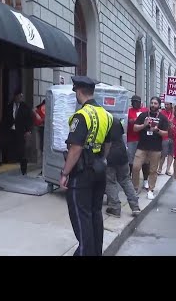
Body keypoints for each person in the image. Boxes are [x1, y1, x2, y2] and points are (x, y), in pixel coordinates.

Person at [58, 76, 113, 256]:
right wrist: (100, 160)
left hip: (82, 172)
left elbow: (75, 148)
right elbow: (108, 144)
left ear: (78, 91)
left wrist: (65, 172)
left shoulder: (82, 115)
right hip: (99, 169)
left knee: (82, 218)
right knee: (95, 213)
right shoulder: (106, 114)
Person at [131, 96, 169, 200]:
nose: (153, 105)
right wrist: (144, 125)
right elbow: (134, 128)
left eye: (155, 103)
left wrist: (157, 130)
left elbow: (166, 133)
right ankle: (135, 188)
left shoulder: (162, 117)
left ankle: (150, 190)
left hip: (155, 148)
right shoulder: (143, 115)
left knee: (153, 170)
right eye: (152, 103)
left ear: (159, 105)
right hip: (142, 146)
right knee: (135, 167)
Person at [105, 118, 141, 218]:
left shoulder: (103, 121)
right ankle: (135, 207)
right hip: (122, 154)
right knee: (126, 180)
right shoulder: (116, 120)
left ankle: (115, 208)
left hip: (110, 156)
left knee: (110, 181)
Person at [0, 90, 33, 175]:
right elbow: (3, 120)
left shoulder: (25, 107)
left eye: (21, 96)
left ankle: (24, 171)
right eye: (18, 96)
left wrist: (28, 131)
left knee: (22, 151)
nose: (20, 98)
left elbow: (29, 120)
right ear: (15, 97)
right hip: (9, 130)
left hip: (20, 131)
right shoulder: (9, 106)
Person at [127, 95, 150, 189]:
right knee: (131, 161)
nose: (134, 103)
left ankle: (145, 180)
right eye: (133, 101)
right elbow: (129, 121)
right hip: (131, 138)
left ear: (140, 102)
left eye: (136, 101)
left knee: (145, 161)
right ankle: (130, 180)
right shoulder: (129, 111)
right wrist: (138, 121)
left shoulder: (145, 110)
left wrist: (136, 121)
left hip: (143, 139)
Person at [158, 102, 175, 176]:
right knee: (163, 153)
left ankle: (168, 169)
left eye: (168, 104)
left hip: (173, 136)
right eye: (165, 104)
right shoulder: (162, 112)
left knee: (171, 153)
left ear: (171, 105)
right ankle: (160, 168)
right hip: (165, 136)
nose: (166, 106)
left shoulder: (175, 112)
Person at [33, 99, 46, 176]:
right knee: (42, 148)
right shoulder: (42, 107)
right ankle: (42, 169)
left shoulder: (43, 107)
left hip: (42, 129)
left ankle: (43, 169)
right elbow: (34, 109)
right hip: (42, 129)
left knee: (42, 149)